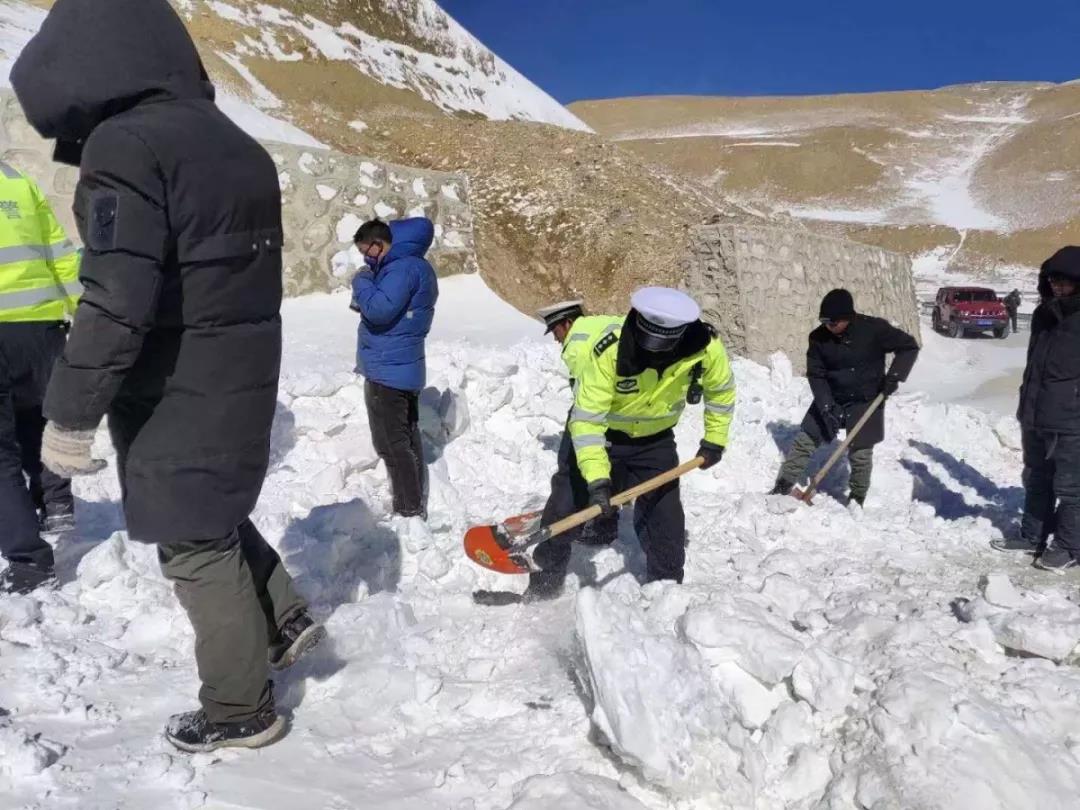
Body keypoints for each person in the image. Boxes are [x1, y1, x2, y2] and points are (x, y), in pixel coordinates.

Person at [12, 0, 323, 752]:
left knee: (192, 542)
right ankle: (282, 620)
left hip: (177, 380)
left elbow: (116, 298)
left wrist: (71, 412)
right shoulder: (235, 144)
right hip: (237, 364)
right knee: (211, 504)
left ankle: (239, 710)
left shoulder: (129, 145)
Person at [527, 287, 736, 601]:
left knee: (666, 522)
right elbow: (586, 422)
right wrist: (598, 479)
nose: (651, 354)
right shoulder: (608, 351)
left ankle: (666, 596)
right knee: (566, 506)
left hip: (655, 443)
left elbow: (721, 392)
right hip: (604, 432)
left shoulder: (706, 348)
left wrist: (715, 440)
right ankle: (544, 586)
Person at [0, 162, 81, 594]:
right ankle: (56, 501)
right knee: (38, 415)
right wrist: (80, 313)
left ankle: (28, 560)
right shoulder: (18, 183)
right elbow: (61, 253)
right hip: (40, 326)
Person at [770, 289, 919, 506]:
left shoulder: (873, 329)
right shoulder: (818, 338)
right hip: (832, 396)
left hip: (867, 399)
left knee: (861, 453)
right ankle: (782, 487)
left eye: (833, 322)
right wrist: (826, 406)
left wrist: (894, 377)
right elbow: (816, 374)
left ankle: (857, 498)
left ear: (847, 317)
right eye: (824, 322)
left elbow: (908, 347)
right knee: (805, 439)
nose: (828, 327)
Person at [994, 247, 1080, 572]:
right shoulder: (1043, 315)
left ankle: (1070, 546)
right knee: (1036, 477)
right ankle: (1033, 535)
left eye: (1067, 281)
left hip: (1071, 419)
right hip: (1034, 412)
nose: (1059, 286)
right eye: (1054, 280)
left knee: (1071, 487)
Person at [351, 217, 439, 519]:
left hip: (387, 369)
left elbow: (378, 310)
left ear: (381, 243)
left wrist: (361, 281)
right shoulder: (413, 266)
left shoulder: (401, 268)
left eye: (366, 250)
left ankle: (409, 510)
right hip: (403, 366)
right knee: (406, 436)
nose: (365, 257)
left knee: (391, 443)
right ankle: (415, 502)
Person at [534, 299, 623, 560]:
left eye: (556, 331)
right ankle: (604, 526)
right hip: (623, 416)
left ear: (567, 322)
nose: (556, 340)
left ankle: (552, 553)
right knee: (607, 467)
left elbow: (587, 390)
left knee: (570, 473)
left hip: (594, 412)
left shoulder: (579, 341)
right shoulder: (603, 325)